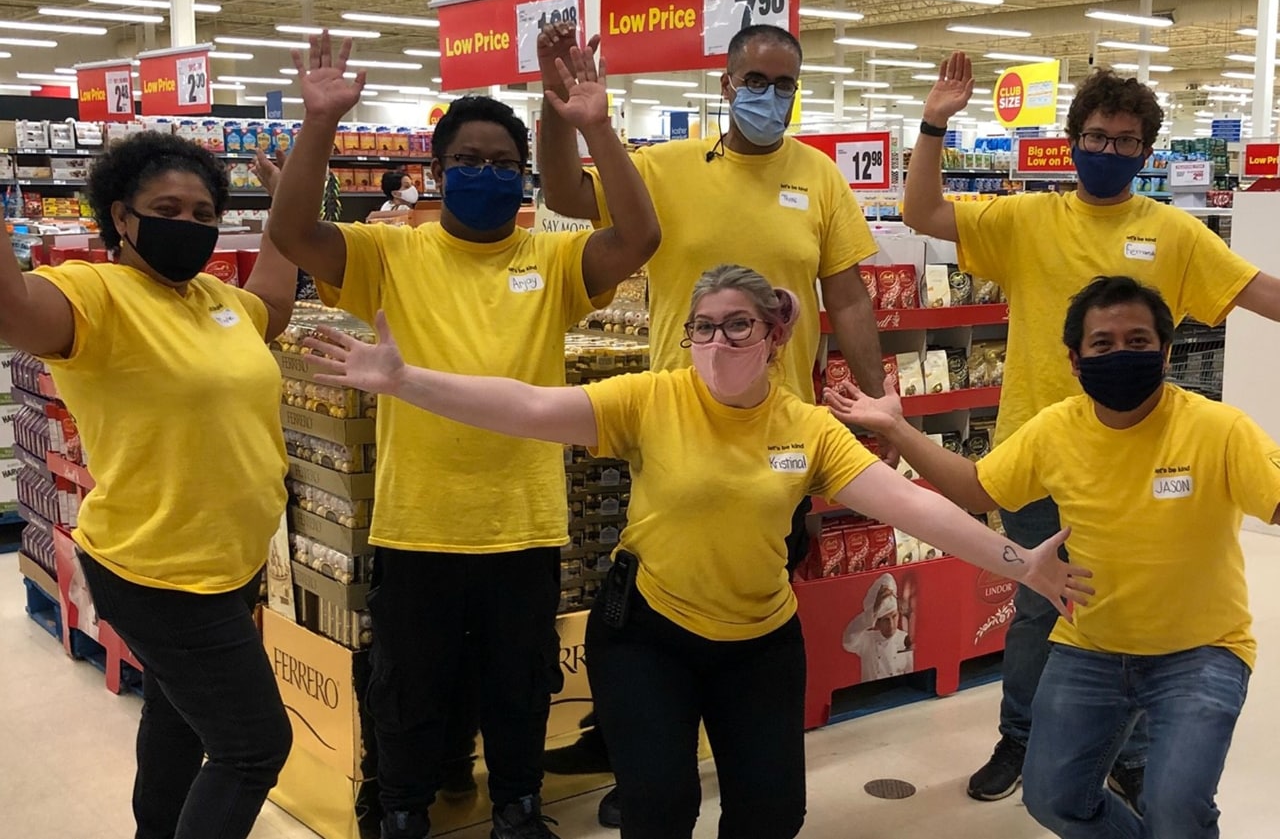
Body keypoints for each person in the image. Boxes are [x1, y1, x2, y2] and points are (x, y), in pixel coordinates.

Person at [301, 263, 1091, 839]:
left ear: (775, 335)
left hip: (760, 643)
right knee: (659, 808)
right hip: (649, 634)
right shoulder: (652, 397)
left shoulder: (806, 428)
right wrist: (408, 382)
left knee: (771, 812)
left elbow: (913, 500)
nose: (716, 341)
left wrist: (1023, 565)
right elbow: (529, 407)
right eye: (703, 326)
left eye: (737, 325)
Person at [267, 33, 660, 839]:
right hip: (419, 519)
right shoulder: (391, 253)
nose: (486, 173)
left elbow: (639, 238)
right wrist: (318, 126)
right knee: (409, 681)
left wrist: (596, 127)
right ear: (437, 174)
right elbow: (293, 232)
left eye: (502, 162)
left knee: (519, 678)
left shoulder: (551, 261)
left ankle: (518, 804)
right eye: (468, 161)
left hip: (525, 518)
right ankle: (403, 806)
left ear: (523, 176)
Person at [537, 22, 891, 824]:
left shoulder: (822, 178)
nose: (771, 97)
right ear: (726, 86)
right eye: (756, 81)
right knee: (666, 578)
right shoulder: (666, 167)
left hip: (783, 436)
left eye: (786, 83)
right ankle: (649, 763)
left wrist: (876, 408)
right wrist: (558, 107)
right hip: (672, 426)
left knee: (756, 586)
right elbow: (566, 195)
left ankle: (736, 768)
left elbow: (849, 298)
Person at [903, 53, 1280, 804]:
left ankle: (1130, 753)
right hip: (1036, 450)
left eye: (1127, 140)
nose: (1111, 151)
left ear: (1148, 151)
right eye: (1098, 136)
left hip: (1140, 453)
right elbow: (922, 214)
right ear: (1073, 140)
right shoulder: (1025, 217)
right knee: (1036, 606)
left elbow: (1253, 289)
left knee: (1129, 603)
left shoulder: (1172, 231)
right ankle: (1020, 735)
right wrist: (934, 122)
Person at [826, 275, 1278, 838]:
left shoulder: (1220, 429)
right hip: (1090, 646)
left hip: (1201, 650)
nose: (1121, 354)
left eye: (1137, 342)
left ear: (1165, 351)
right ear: (1075, 359)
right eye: (1103, 344)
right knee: (1053, 799)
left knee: (1176, 807)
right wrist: (897, 425)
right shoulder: (1056, 429)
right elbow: (975, 489)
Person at [0, 133, 299, 839]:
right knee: (254, 745)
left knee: (175, 712)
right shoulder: (96, 293)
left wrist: (289, 198)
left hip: (225, 563)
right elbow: (12, 309)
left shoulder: (217, 301)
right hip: (160, 571)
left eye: (203, 213)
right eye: (167, 207)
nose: (188, 224)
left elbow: (274, 307)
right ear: (121, 217)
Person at [842, 572, 914, 681]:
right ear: (877, 622)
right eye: (885, 619)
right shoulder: (867, 640)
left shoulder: (905, 639)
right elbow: (848, 641)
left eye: (894, 616)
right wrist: (872, 611)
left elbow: (911, 673)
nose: (891, 624)